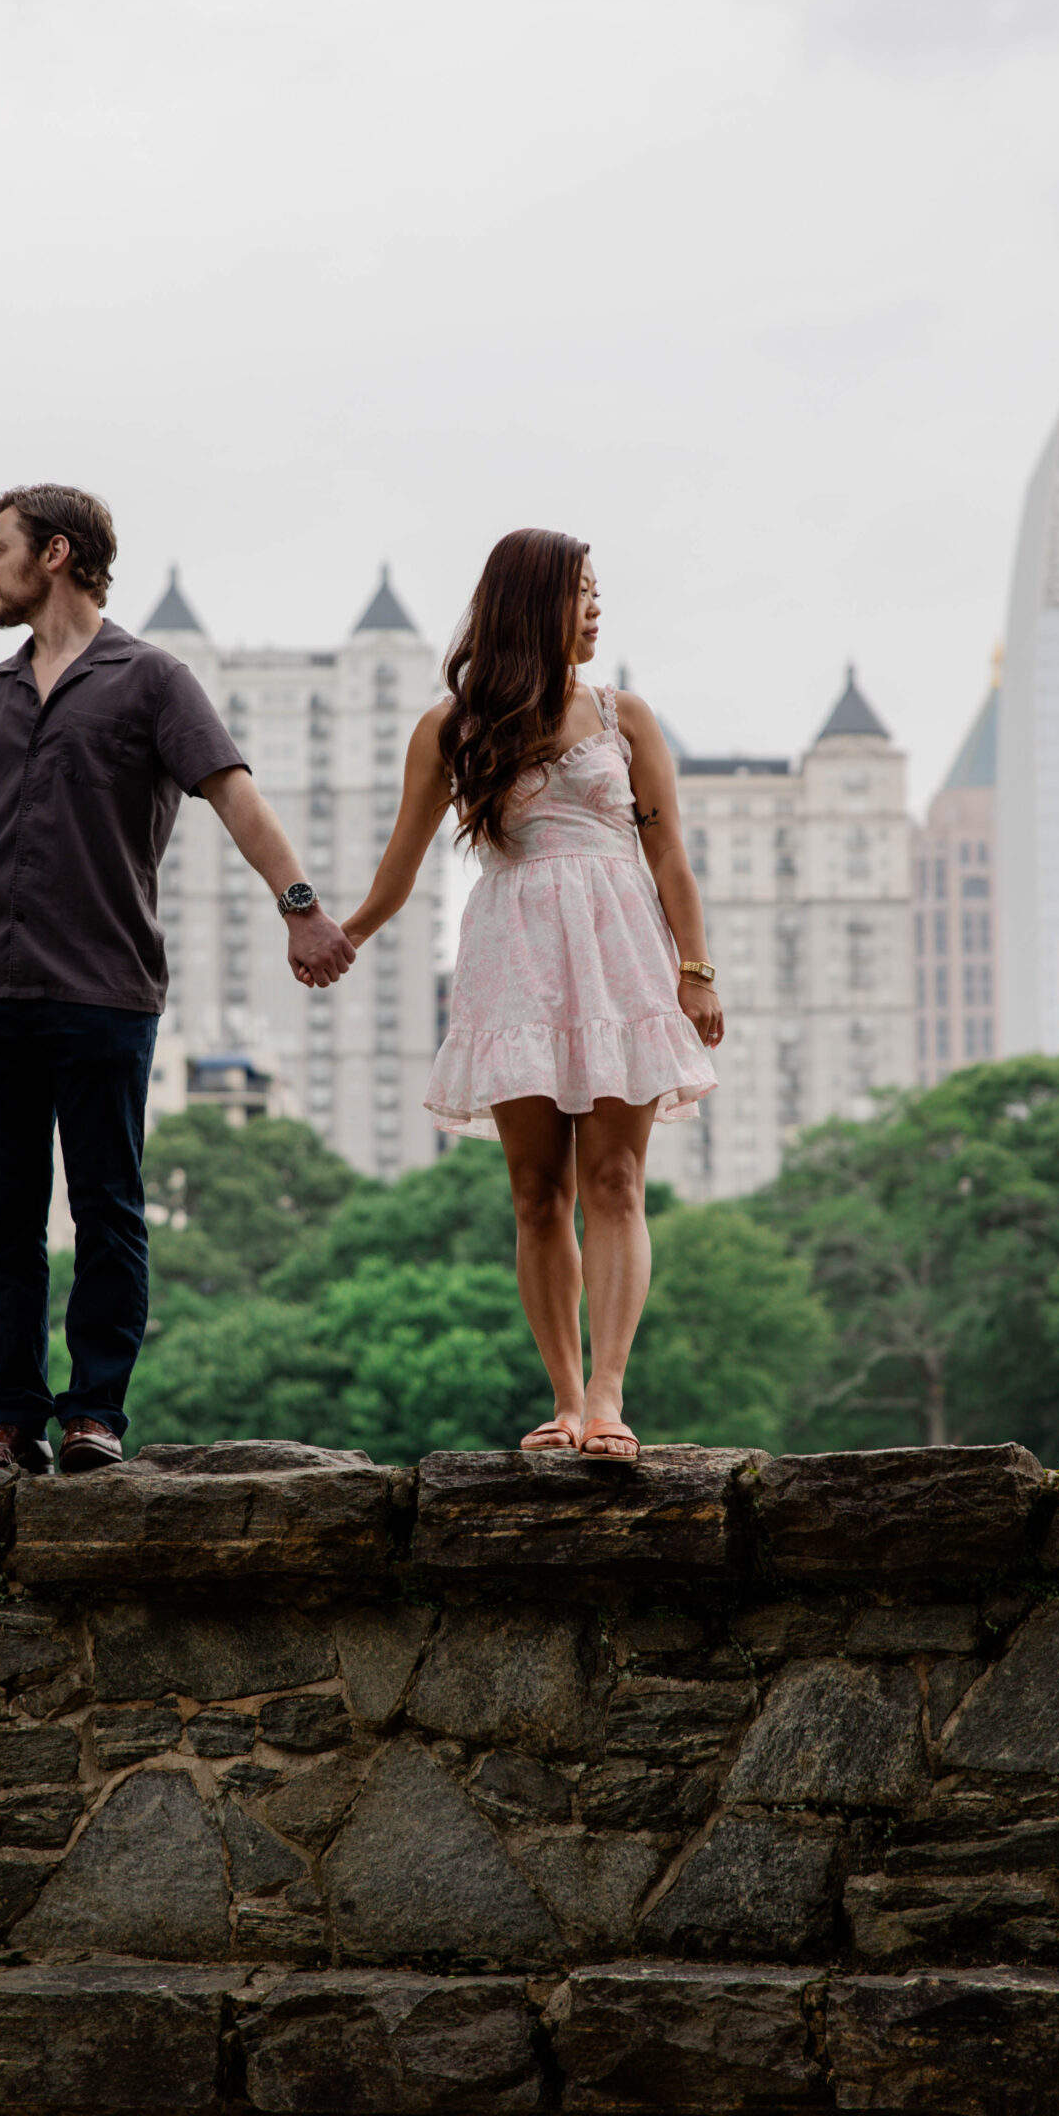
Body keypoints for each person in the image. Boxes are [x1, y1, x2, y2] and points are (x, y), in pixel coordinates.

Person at [0, 483, 356, 1481]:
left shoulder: (153, 679)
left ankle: (95, 1415)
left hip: (105, 991)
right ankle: (12, 1423)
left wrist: (302, 904)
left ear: (55, 555)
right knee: (5, 1219)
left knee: (108, 1205)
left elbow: (233, 793)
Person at [342, 528, 722, 1461]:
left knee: (615, 1181)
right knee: (535, 1191)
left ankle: (607, 1396)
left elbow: (668, 852)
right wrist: (342, 934)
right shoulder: (450, 726)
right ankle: (560, 1399)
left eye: (599, 593)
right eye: (582, 592)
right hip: (513, 956)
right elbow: (402, 864)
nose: (596, 609)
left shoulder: (624, 715)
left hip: (620, 954)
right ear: (532, 602)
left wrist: (696, 971)